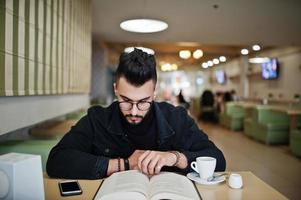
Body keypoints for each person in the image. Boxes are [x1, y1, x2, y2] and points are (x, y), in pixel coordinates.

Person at [46, 48, 226, 179]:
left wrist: (174, 157)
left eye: (143, 102)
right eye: (125, 101)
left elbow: (218, 160)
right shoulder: (97, 119)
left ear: (154, 92)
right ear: (115, 89)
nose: (134, 111)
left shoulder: (176, 118)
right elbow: (56, 160)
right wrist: (123, 164)